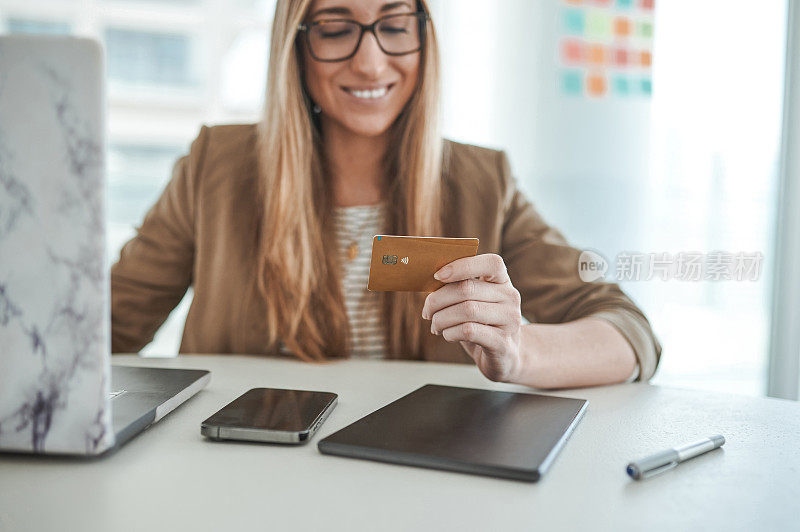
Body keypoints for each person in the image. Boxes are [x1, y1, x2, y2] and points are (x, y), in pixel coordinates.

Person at [111, 0, 661, 389]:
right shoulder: (217, 167)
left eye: (395, 25)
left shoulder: (481, 180)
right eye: (335, 28)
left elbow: (627, 330)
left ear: (423, 39)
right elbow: (105, 325)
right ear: (296, 44)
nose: (371, 62)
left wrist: (521, 350)